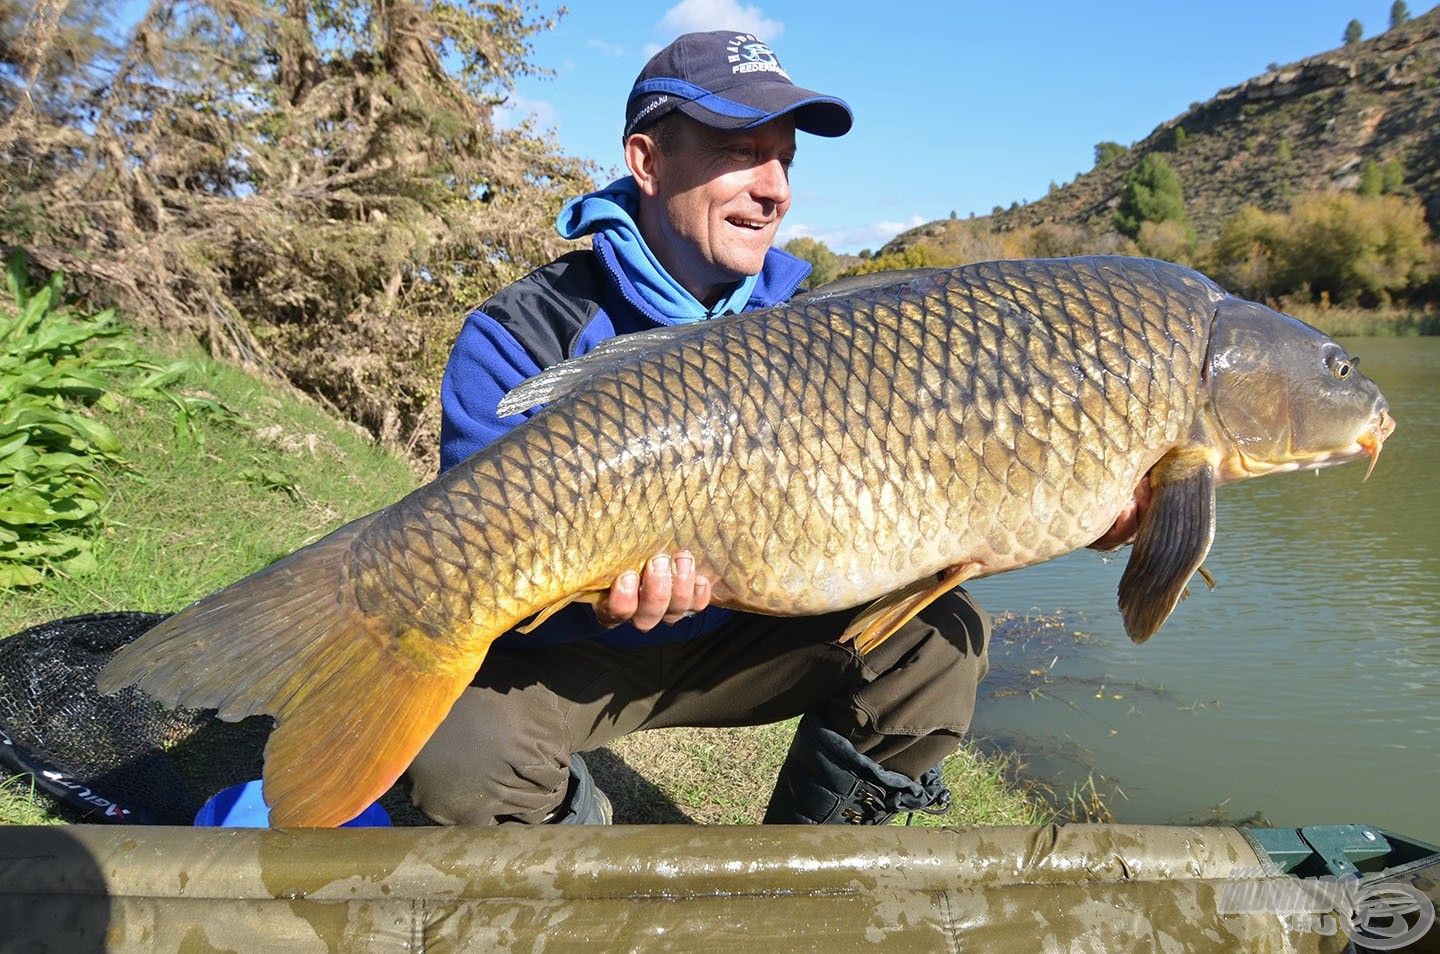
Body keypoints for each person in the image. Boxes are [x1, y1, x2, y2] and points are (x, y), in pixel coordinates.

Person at [407, 31, 1135, 827]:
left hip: (750, 639)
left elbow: (926, 497)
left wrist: (1072, 500)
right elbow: (477, 586)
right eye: (741, 152)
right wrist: (596, 598)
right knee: (462, 757)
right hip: (571, 658)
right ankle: (589, 858)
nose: (775, 188)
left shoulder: (822, 328)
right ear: (647, 161)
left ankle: (803, 874)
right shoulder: (522, 332)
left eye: (785, 158)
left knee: (938, 645)